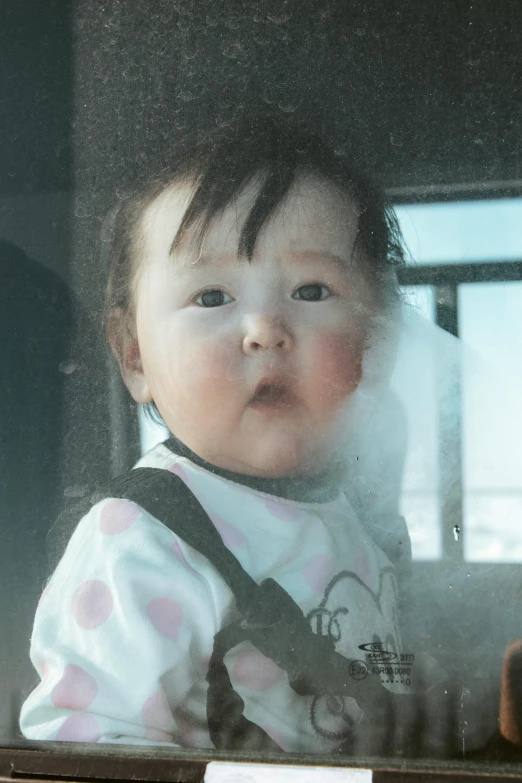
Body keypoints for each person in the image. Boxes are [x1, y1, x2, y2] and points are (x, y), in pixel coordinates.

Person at [19, 116, 446, 753]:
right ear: (134, 356)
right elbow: (92, 752)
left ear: (375, 344)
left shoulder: (360, 514)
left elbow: (382, 673)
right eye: (213, 295)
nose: (264, 329)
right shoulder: (142, 539)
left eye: (311, 289)